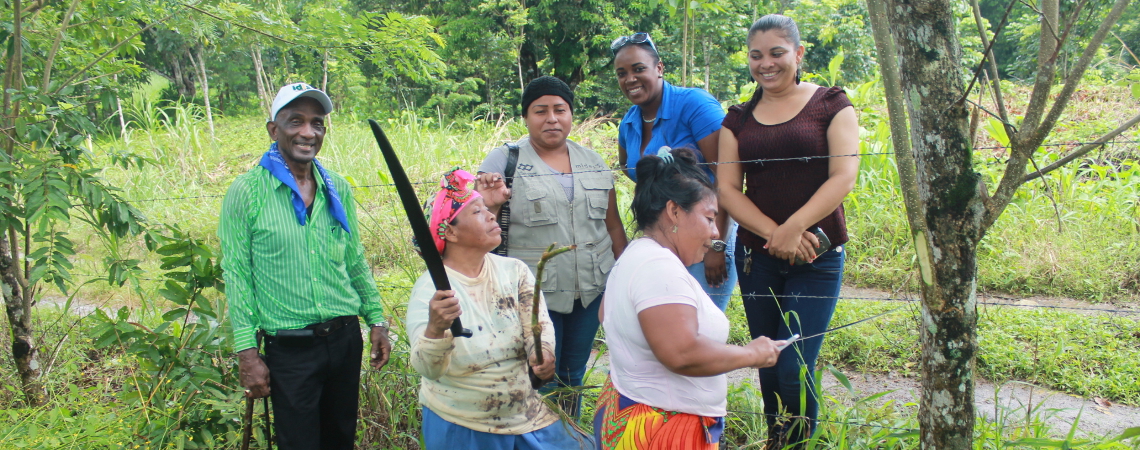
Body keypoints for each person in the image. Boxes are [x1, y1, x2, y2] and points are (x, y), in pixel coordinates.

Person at [219, 82, 393, 450]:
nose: (307, 132)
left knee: (340, 439)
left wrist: (376, 319)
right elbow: (236, 273)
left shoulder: (337, 189)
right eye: (295, 121)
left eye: (317, 123)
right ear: (273, 129)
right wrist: (247, 353)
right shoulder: (247, 191)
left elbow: (354, 260)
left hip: (345, 339)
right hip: (291, 348)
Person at [716, 15, 860, 449]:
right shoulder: (737, 119)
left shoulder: (832, 104)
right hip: (756, 258)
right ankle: (777, 439)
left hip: (817, 255)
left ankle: (799, 443)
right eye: (756, 56)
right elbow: (727, 188)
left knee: (796, 361)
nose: (767, 64)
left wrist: (795, 227)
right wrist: (774, 234)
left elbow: (844, 175)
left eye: (777, 53)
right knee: (767, 358)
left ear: (798, 54)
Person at [595, 147, 785, 450]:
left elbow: (606, 314)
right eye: (710, 218)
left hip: (634, 413)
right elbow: (681, 354)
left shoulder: (635, 255)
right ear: (674, 211)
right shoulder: (658, 267)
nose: (714, 233)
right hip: (662, 430)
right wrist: (752, 355)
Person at [405, 168, 593, 450]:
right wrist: (435, 329)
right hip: (464, 422)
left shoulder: (513, 270)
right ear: (451, 232)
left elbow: (538, 323)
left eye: (486, 208)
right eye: (478, 212)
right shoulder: (430, 291)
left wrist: (542, 354)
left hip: (526, 413)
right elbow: (427, 369)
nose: (492, 215)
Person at [475, 75, 628, 416]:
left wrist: (625, 277)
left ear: (571, 114)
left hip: (591, 289)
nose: (552, 118)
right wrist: (492, 200)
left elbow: (612, 225)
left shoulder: (593, 161)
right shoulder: (505, 161)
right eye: (540, 111)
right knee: (538, 374)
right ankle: (536, 435)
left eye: (560, 109)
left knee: (573, 375)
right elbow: (478, 223)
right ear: (526, 117)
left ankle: (568, 435)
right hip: (534, 293)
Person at [611, 32, 738, 311]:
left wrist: (717, 246)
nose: (630, 79)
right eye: (622, 73)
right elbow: (629, 167)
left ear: (659, 68)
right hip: (661, 240)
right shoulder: (629, 122)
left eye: (638, 69)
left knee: (699, 324)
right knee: (665, 321)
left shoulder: (694, 105)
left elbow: (728, 179)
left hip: (705, 236)